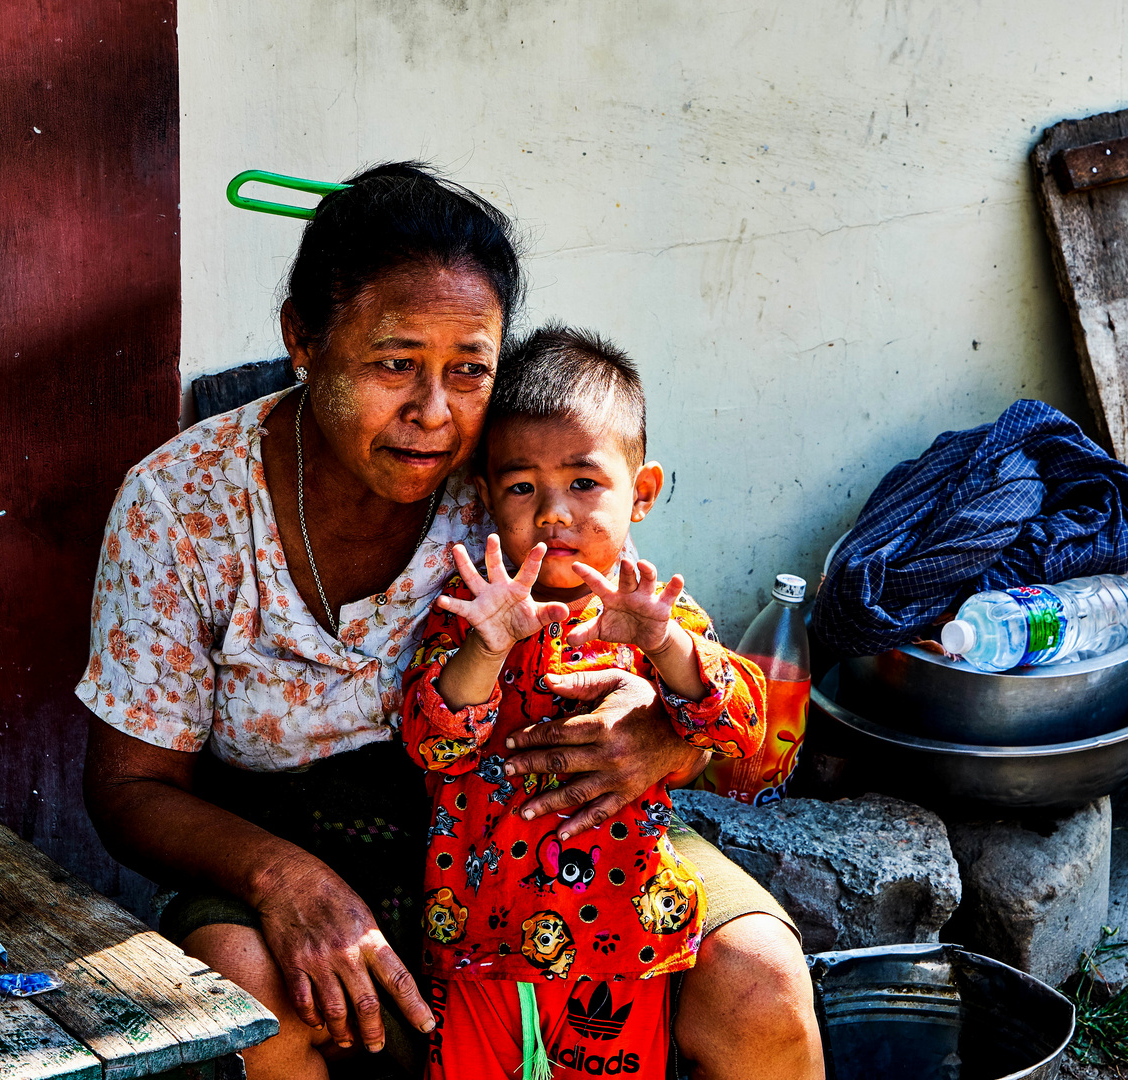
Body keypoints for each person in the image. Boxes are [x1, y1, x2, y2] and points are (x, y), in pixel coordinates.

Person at [78, 161, 823, 1080]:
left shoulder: (516, 483)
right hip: (290, 840)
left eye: (469, 371)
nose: (434, 415)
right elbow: (127, 790)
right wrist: (284, 880)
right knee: (249, 991)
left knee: (761, 981)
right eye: (395, 364)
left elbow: (702, 690)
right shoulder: (180, 506)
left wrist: (664, 740)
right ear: (302, 338)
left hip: (543, 837)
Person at [402, 326, 769, 1079]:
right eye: (521, 486)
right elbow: (432, 741)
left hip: (618, 946)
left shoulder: (657, 614)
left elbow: (741, 727)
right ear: (484, 496)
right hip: (479, 946)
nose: (553, 513)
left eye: (583, 482)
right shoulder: (470, 615)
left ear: (642, 490)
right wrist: (487, 646)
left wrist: (665, 648)